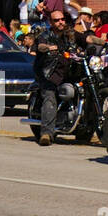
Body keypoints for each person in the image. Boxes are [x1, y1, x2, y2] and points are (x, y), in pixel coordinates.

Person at [33, 12, 73, 145]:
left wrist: (107, 43)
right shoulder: (45, 35)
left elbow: (87, 39)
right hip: (48, 74)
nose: (61, 22)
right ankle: (46, 133)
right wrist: (49, 47)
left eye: (62, 19)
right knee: (50, 96)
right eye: (57, 20)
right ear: (51, 22)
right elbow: (40, 46)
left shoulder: (69, 35)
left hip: (67, 73)